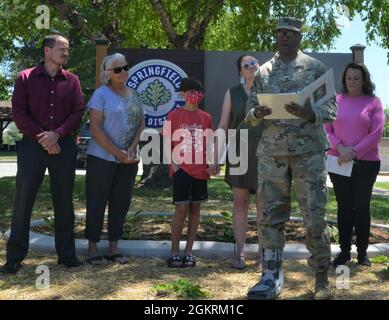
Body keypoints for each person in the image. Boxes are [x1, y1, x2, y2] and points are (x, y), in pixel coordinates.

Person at [244, 17, 337, 300]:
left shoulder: (314, 67)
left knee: (315, 218)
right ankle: (271, 276)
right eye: (279, 33)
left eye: (290, 33)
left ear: (299, 37)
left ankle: (322, 279)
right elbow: (250, 113)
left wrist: (311, 114)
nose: (283, 37)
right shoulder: (263, 71)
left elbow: (331, 107)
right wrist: (256, 114)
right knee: (270, 217)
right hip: (272, 154)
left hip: (308, 154)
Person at [1, 34, 85, 274]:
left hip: (63, 146)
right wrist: (43, 137)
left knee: (64, 201)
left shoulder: (72, 80)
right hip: (31, 147)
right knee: (23, 200)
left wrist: (56, 135)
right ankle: (14, 259)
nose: (66, 52)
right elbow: (19, 112)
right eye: (62, 48)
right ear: (47, 51)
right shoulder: (25, 78)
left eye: (67, 48)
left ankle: (67, 257)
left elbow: (78, 112)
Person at [84, 53, 144, 265]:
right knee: (96, 202)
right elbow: (96, 129)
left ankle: (113, 247)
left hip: (128, 161)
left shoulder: (135, 95)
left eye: (125, 67)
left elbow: (141, 124)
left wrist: (132, 148)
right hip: (101, 159)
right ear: (107, 74)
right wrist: (118, 154)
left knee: (120, 204)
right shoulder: (101, 95)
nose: (123, 72)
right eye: (117, 69)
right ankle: (92, 248)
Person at [324, 62, 385, 268]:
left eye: (356, 78)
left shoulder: (374, 102)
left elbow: (376, 134)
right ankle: (344, 252)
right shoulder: (335, 100)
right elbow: (326, 129)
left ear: (364, 80)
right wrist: (341, 148)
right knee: (344, 207)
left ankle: (362, 253)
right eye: (349, 77)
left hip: (365, 163)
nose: (351, 81)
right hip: (338, 161)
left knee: (361, 207)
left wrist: (354, 152)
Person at [212, 54, 263, 270]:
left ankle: (264, 253)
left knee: (264, 205)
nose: (252, 67)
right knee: (240, 203)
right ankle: (240, 253)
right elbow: (223, 125)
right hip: (238, 150)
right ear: (240, 71)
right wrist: (215, 155)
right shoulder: (232, 93)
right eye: (246, 65)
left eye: (254, 63)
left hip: (265, 152)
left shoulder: (269, 92)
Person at [163, 78, 213, 268]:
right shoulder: (172, 116)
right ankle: (174, 251)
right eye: (190, 91)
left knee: (195, 210)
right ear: (182, 94)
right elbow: (167, 143)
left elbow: (209, 144)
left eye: (198, 92)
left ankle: (189, 252)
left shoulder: (206, 117)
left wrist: (210, 164)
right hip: (181, 169)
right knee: (181, 210)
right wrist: (174, 166)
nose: (195, 95)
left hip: (200, 171)